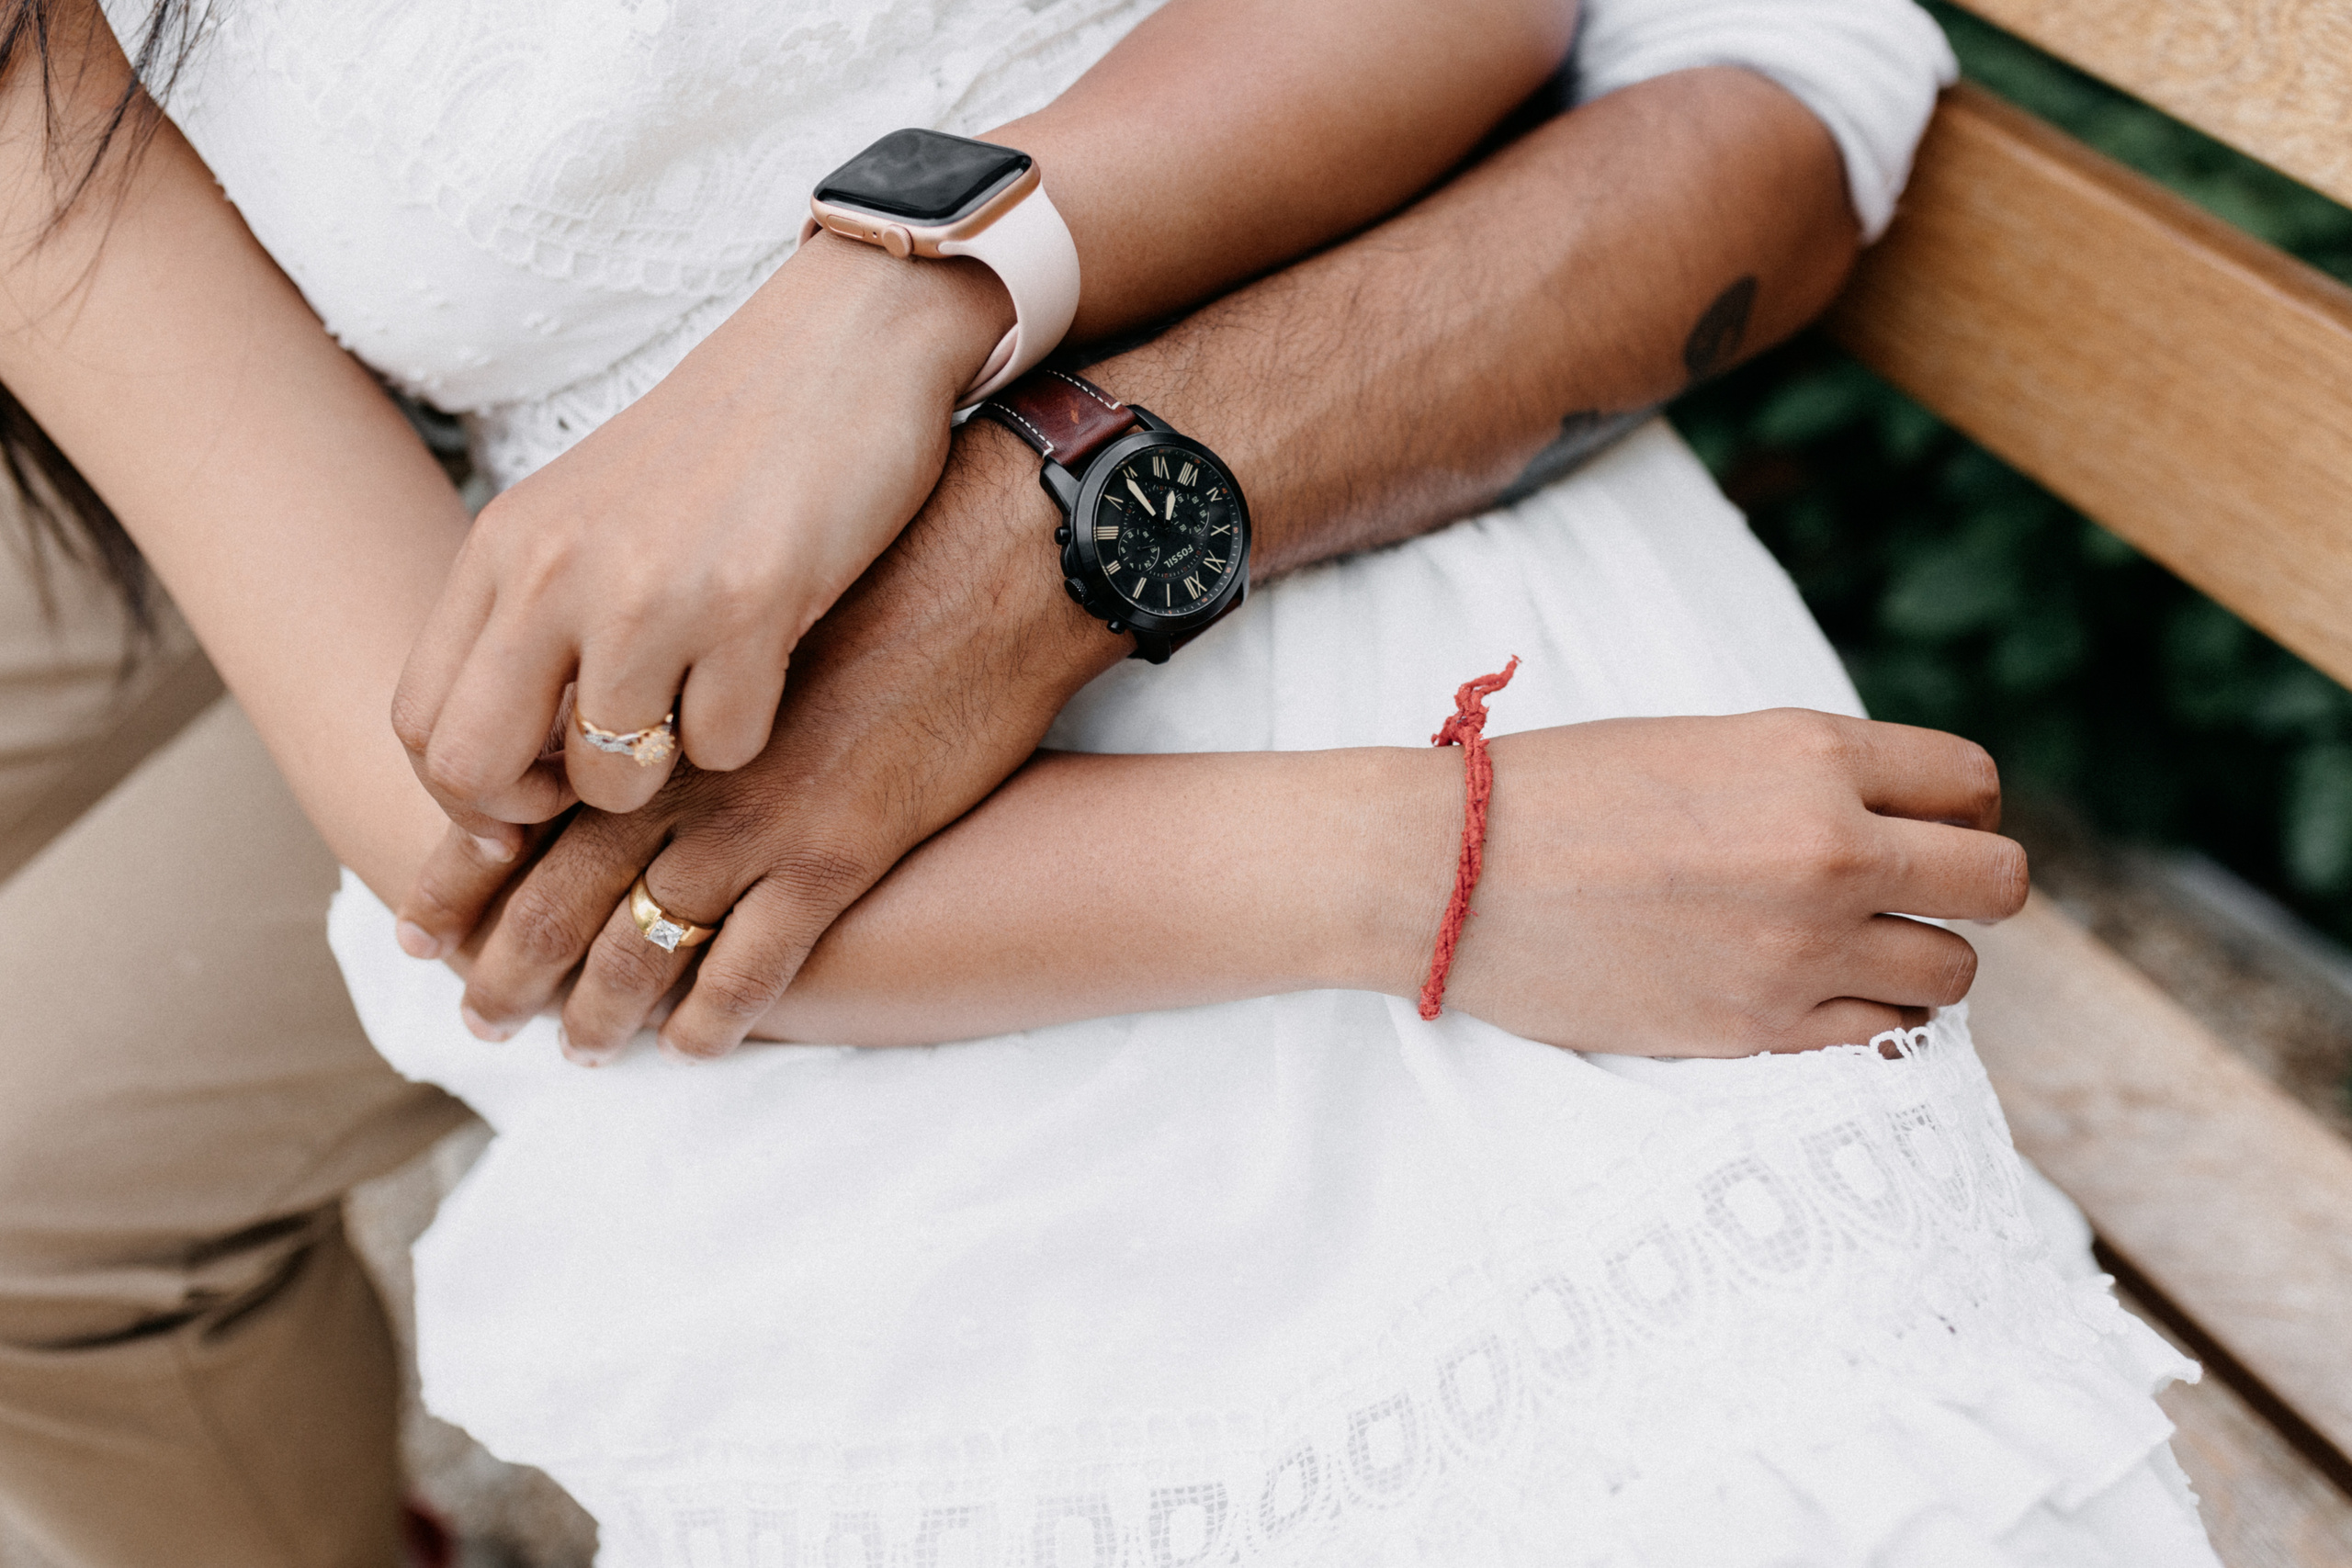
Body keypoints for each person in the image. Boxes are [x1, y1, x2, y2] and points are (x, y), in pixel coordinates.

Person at [0, 6, 2222, 1568]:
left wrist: (898, 298)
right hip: (834, 906)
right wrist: (1436, 854)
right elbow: (481, 850)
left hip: (1363, 486)